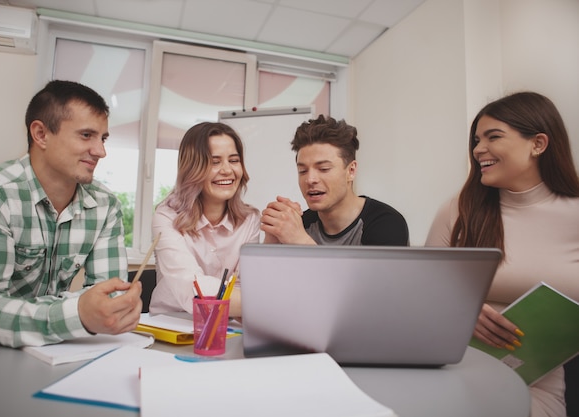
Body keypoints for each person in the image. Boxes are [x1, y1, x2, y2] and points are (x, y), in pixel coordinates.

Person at [0, 80, 142, 354]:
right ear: (41, 134)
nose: (101, 151)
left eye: (103, 138)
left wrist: (108, 308)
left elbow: (107, 295)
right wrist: (77, 313)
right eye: (86, 135)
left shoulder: (106, 205)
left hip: (59, 352)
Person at [425, 91, 579, 417]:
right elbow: (423, 288)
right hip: (456, 365)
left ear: (538, 144)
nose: (478, 149)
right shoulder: (458, 209)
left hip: (544, 377)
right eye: (477, 139)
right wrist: (463, 308)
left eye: (493, 137)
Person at [148, 122, 260, 318]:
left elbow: (245, 286)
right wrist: (272, 305)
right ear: (192, 168)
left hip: (227, 325)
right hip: (173, 322)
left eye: (233, 160)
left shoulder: (250, 219)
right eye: (214, 162)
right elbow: (192, 287)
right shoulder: (166, 216)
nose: (227, 170)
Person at [260, 114, 409, 246]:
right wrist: (273, 241)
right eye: (302, 171)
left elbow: (372, 279)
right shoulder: (302, 225)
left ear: (351, 171)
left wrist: (302, 242)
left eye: (324, 169)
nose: (310, 179)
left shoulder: (387, 224)